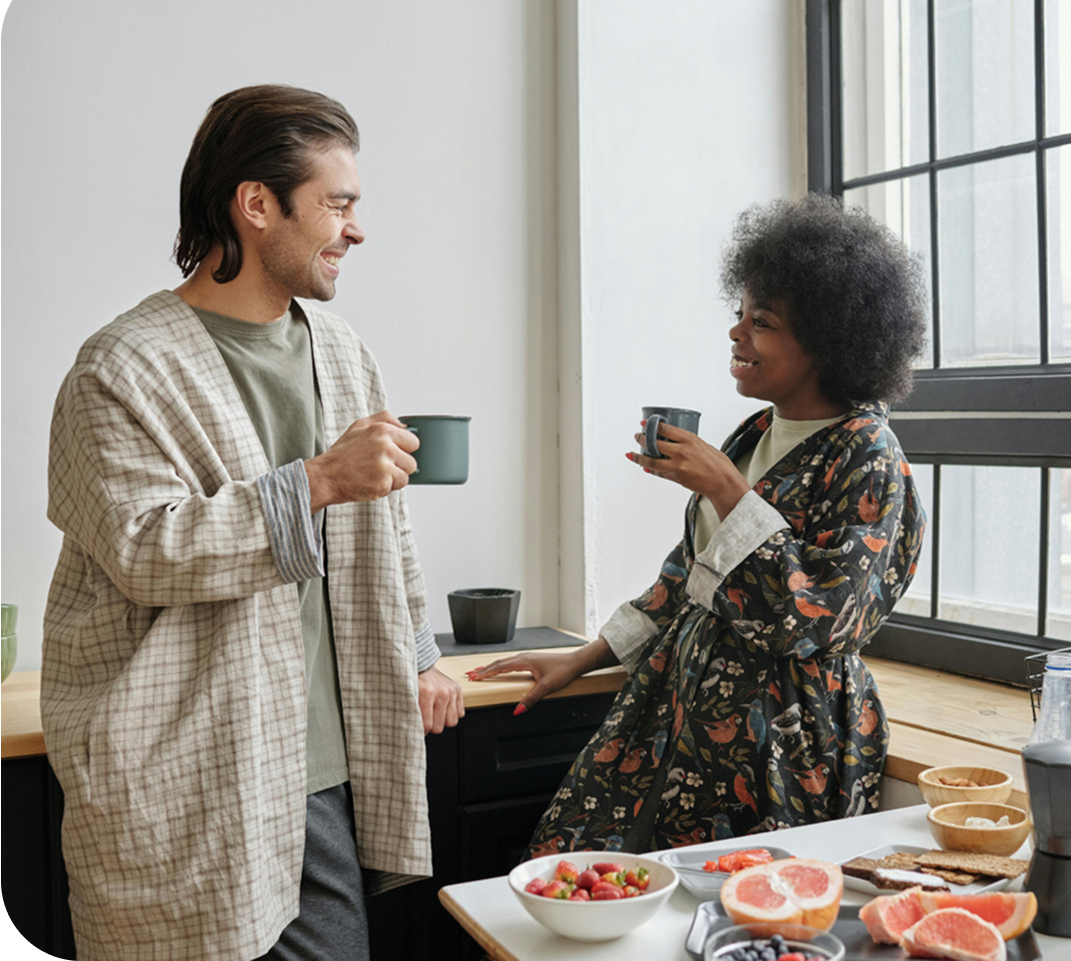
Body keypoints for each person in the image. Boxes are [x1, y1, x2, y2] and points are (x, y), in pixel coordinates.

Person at [40, 85, 464, 961]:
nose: (355, 229)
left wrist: (419, 653)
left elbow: (388, 528)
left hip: (321, 770)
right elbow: (144, 551)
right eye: (337, 204)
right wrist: (311, 482)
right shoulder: (120, 369)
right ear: (257, 204)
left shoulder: (341, 350)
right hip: (191, 775)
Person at [471, 193, 927, 853]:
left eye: (761, 322)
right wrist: (582, 658)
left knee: (735, 919)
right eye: (738, 315)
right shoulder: (754, 433)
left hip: (781, 734)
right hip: (678, 708)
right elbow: (689, 578)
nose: (737, 333)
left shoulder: (866, 454)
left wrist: (725, 488)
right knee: (573, 862)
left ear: (829, 341)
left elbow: (825, 615)